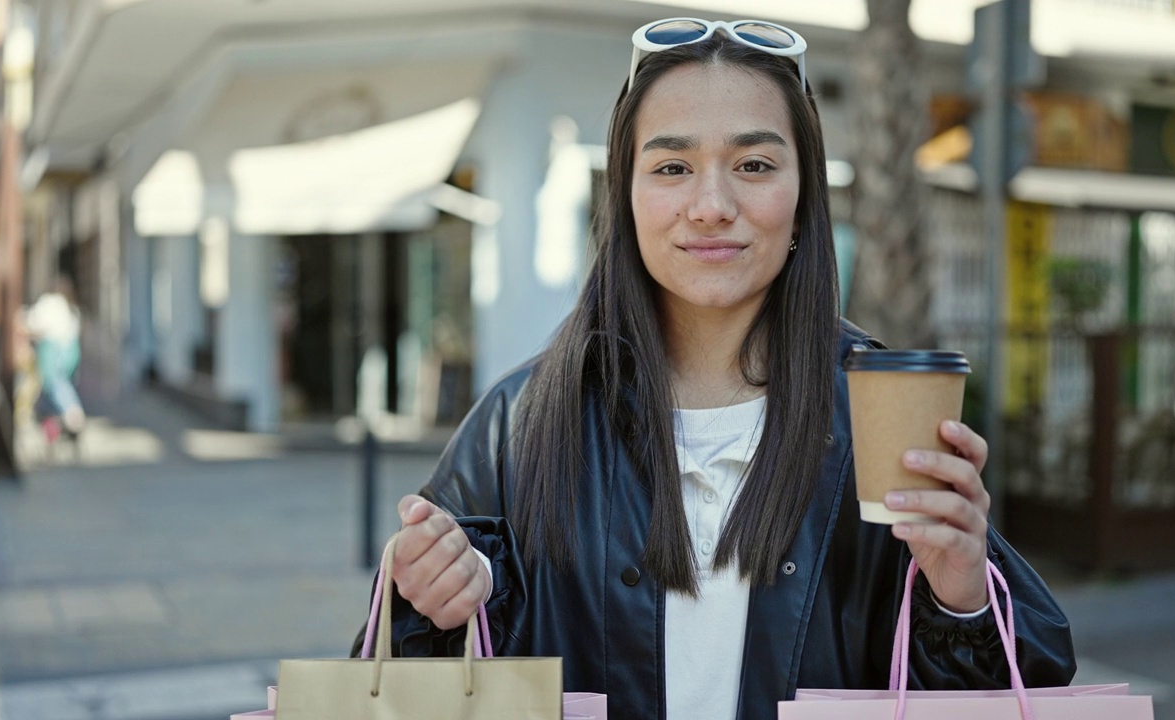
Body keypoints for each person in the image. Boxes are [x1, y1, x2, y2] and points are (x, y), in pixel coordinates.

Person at [364, 18, 1075, 720]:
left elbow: (1023, 686)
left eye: (755, 166)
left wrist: (961, 597)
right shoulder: (518, 421)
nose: (711, 206)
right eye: (672, 167)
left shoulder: (882, 408)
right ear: (626, 194)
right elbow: (396, 687)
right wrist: (437, 600)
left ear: (804, 200)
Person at [26, 276, 85, 441]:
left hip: (52, 348)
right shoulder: (70, 306)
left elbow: (34, 325)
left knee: (54, 385)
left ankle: (71, 413)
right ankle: (58, 422)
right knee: (62, 384)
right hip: (71, 349)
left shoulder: (48, 302)